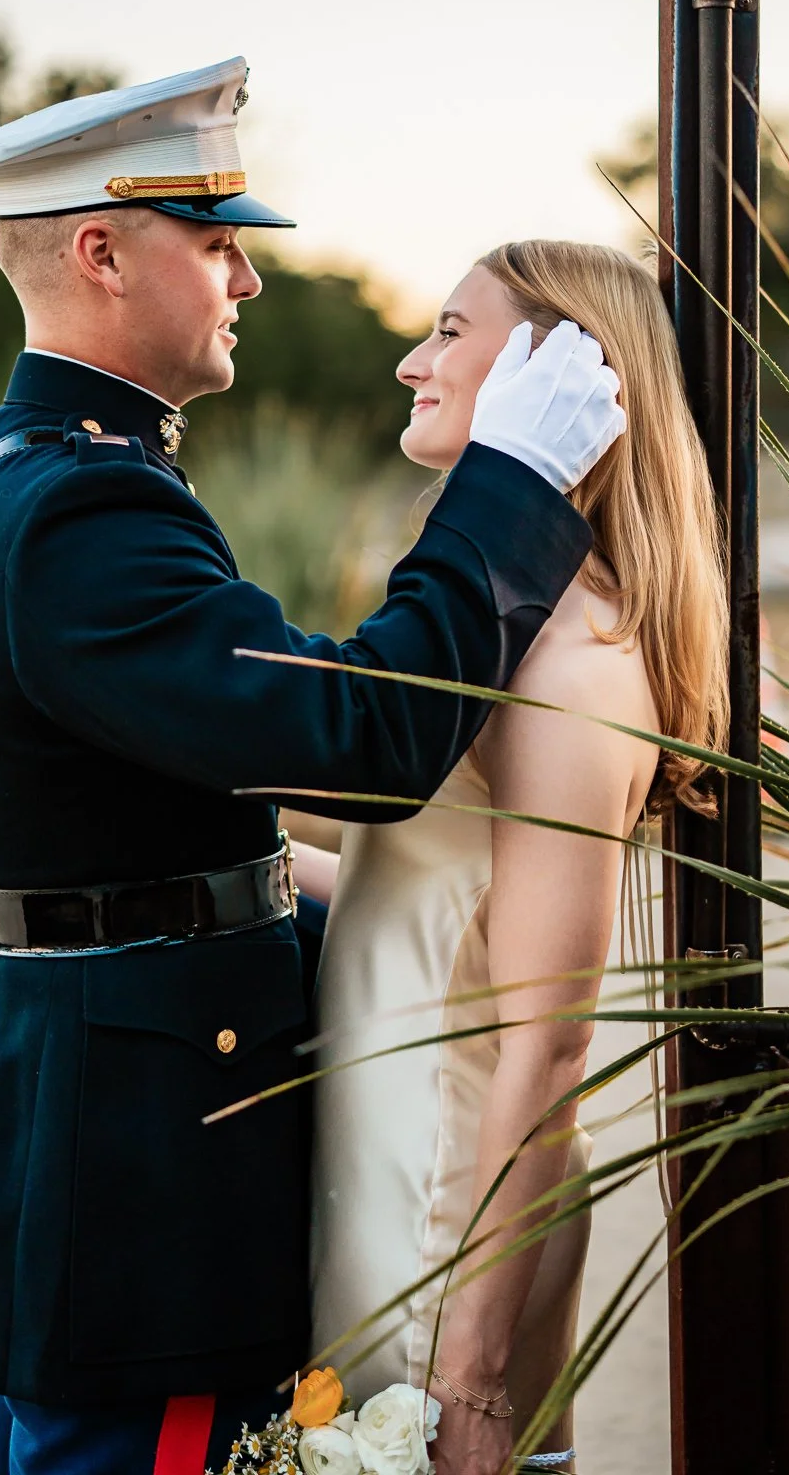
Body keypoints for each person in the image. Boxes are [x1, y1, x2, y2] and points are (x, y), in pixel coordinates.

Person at [0, 59, 626, 1475]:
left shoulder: (62, 470)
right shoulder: (82, 510)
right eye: (218, 241)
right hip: (145, 1177)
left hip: (108, 1132)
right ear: (101, 253)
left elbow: (168, 822)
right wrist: (513, 495)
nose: (249, 277)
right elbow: (359, 740)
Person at [307, 239, 729, 1473]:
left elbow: (547, 1039)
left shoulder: (568, 663)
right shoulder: (518, 626)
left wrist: (475, 1371)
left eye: (446, 330)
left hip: (446, 1215)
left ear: (562, 369)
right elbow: (434, 904)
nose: (410, 360)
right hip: (391, 1173)